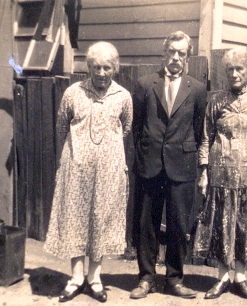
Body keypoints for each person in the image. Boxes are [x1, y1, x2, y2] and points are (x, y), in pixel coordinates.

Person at [44, 41, 133, 303]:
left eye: (107, 67)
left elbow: (125, 128)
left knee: (100, 220)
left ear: (114, 68)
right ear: (88, 67)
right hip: (76, 168)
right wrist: (77, 154)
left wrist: (105, 153)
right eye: (96, 67)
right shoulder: (73, 92)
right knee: (75, 219)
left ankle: (95, 279)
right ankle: (76, 278)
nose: (101, 73)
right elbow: (61, 127)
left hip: (108, 171)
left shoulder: (123, 97)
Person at [130, 31, 207, 299]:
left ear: (188, 56)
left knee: (178, 224)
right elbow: (136, 126)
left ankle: (174, 279)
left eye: (181, 53)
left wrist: (183, 151)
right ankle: (146, 278)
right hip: (149, 163)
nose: (176, 57)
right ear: (164, 53)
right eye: (171, 52)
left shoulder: (196, 89)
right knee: (146, 223)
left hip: (181, 166)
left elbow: (197, 130)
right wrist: (147, 151)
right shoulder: (144, 84)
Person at [197, 46, 247, 300]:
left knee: (244, 227)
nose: (234, 74)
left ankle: (239, 278)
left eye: (239, 69)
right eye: (230, 69)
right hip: (222, 176)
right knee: (221, 225)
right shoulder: (216, 100)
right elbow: (206, 138)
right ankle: (221, 279)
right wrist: (204, 172)